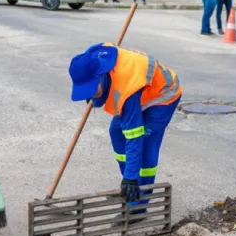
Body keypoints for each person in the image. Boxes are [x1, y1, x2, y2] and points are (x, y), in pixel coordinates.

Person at [68, 43, 182, 215]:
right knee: (116, 132)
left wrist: (131, 178)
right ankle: (129, 187)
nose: (89, 93)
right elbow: (101, 90)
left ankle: (139, 204)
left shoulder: (125, 92)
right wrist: (93, 95)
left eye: (91, 88)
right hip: (140, 90)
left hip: (162, 95)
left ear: (100, 75)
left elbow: (134, 137)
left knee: (145, 145)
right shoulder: (92, 56)